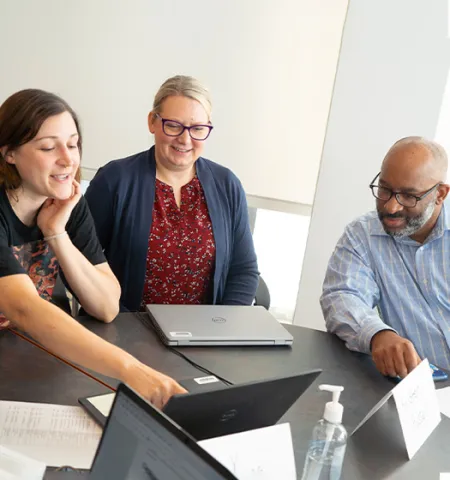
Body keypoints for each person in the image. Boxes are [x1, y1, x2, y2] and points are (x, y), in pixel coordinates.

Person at [0, 88, 185, 407]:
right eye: (48, 147)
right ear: (9, 153)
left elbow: (106, 305)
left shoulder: (65, 203)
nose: (67, 159)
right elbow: (23, 308)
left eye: (72, 144)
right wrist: (131, 369)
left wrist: (56, 233)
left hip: (33, 361)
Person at [85, 75, 259, 311]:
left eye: (198, 128)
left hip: (204, 338)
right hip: (125, 331)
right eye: (174, 125)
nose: (185, 139)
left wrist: (222, 327)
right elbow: (80, 263)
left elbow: (243, 270)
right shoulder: (115, 180)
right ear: (152, 122)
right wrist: (121, 322)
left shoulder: (226, 184)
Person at [321, 136, 450, 378]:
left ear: (440, 194)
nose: (391, 207)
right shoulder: (362, 235)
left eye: (409, 196)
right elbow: (342, 295)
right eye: (385, 189)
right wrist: (377, 334)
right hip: (416, 389)